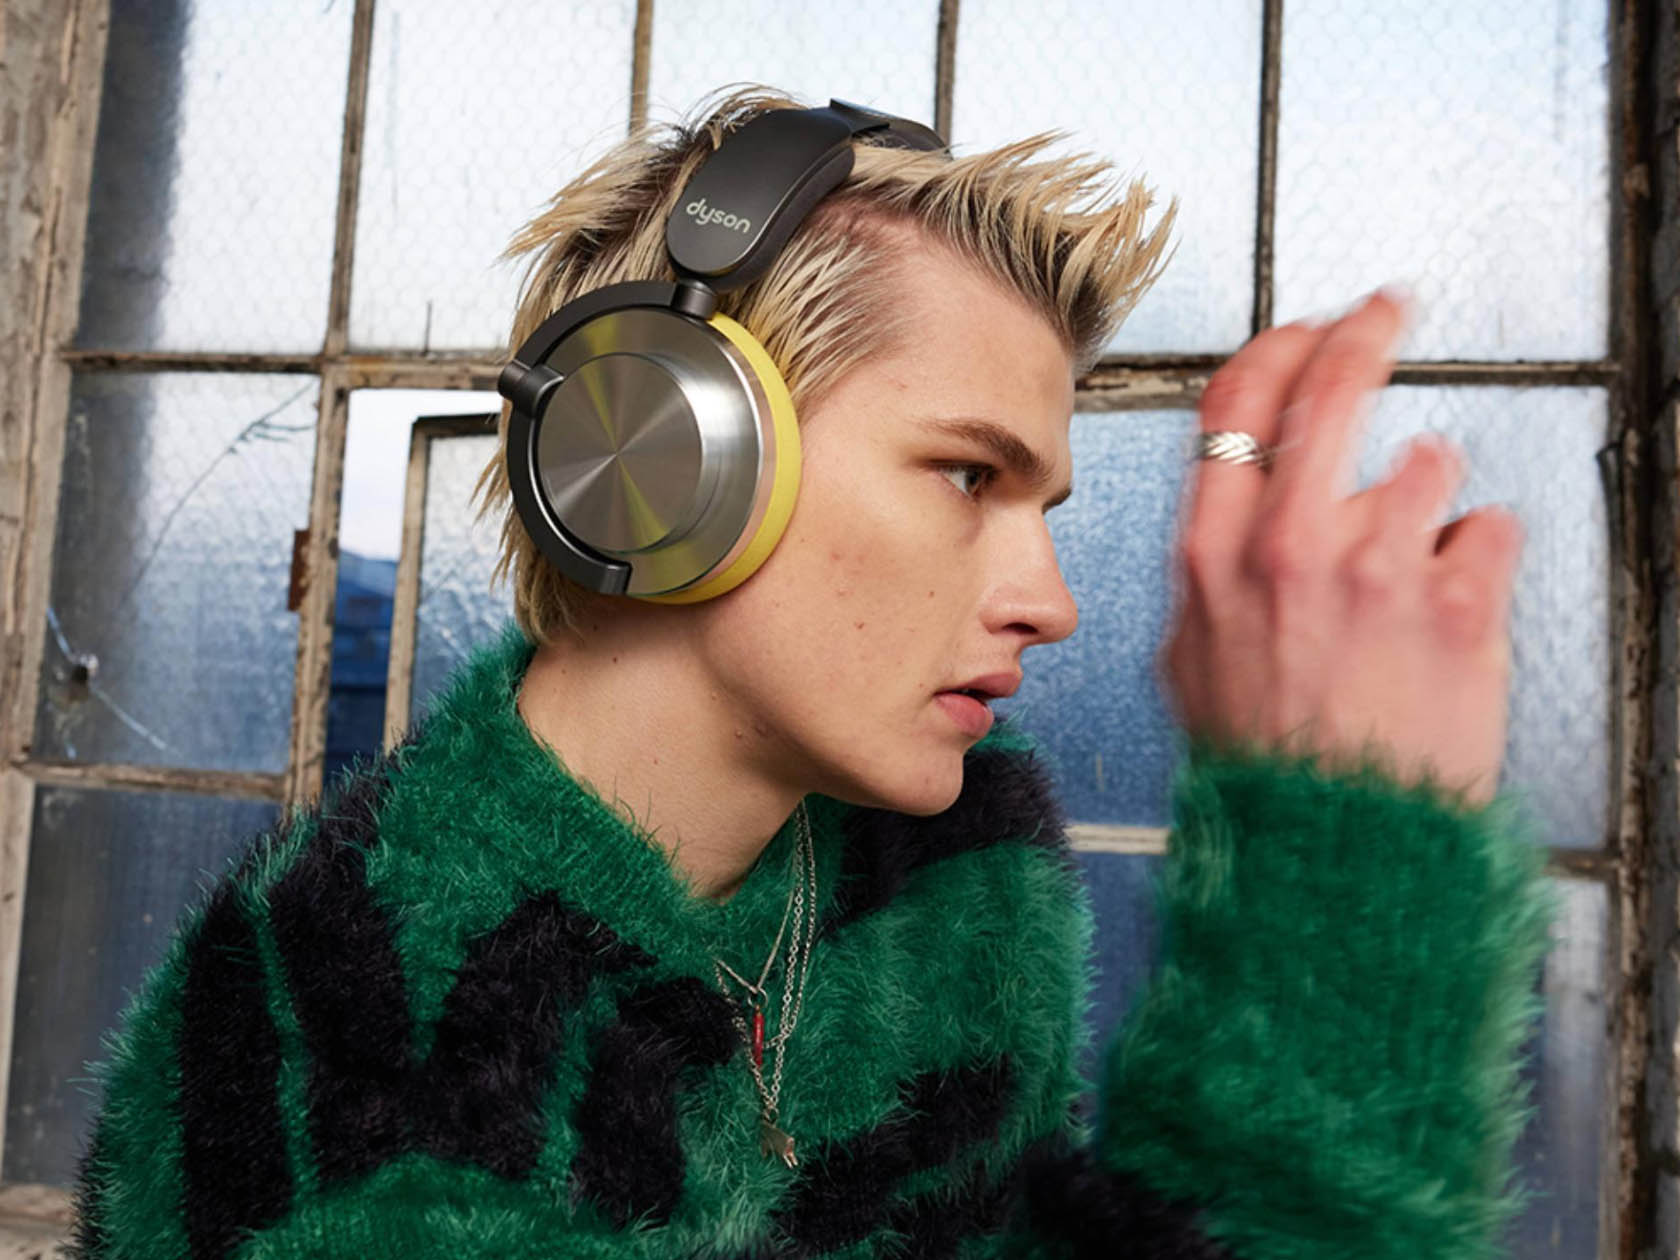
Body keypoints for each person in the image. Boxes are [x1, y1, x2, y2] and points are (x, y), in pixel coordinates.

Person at [70, 87, 1550, 1260]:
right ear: (668, 457)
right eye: (968, 475)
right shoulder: (358, 1044)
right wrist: (1347, 904)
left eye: (1045, 506)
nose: (1049, 604)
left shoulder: (952, 866)